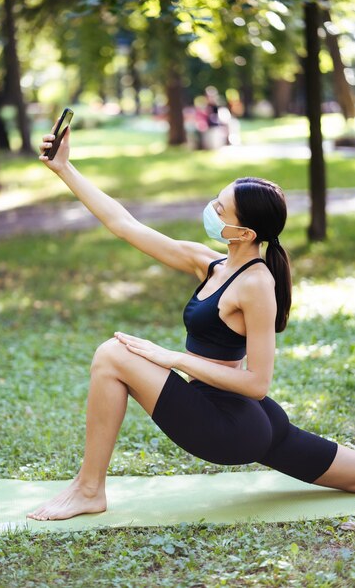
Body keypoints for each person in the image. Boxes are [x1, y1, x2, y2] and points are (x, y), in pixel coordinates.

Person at [27, 123, 355, 521]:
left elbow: (257, 383)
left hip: (233, 424)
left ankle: (89, 490)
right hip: (232, 415)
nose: (211, 210)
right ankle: (87, 488)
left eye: (220, 209)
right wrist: (65, 168)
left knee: (112, 355)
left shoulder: (255, 284)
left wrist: (173, 359)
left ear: (243, 232)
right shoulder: (210, 263)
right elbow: (124, 225)